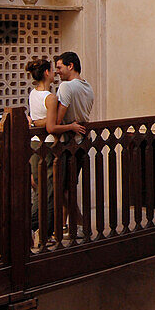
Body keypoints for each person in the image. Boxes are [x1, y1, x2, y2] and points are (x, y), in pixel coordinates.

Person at [25, 56, 85, 246]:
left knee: (40, 191)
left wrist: (34, 122)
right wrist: (71, 127)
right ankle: (42, 232)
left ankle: (37, 229)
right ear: (46, 73)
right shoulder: (50, 98)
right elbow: (52, 127)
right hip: (49, 146)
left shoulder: (33, 94)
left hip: (35, 144)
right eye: (52, 70)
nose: (54, 73)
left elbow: (39, 121)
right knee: (50, 193)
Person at [52, 51, 94, 232]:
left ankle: (79, 222)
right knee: (69, 185)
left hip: (69, 143)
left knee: (62, 187)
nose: (57, 72)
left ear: (71, 66)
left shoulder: (66, 87)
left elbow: (58, 120)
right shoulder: (88, 87)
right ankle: (64, 225)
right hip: (83, 142)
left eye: (60, 67)